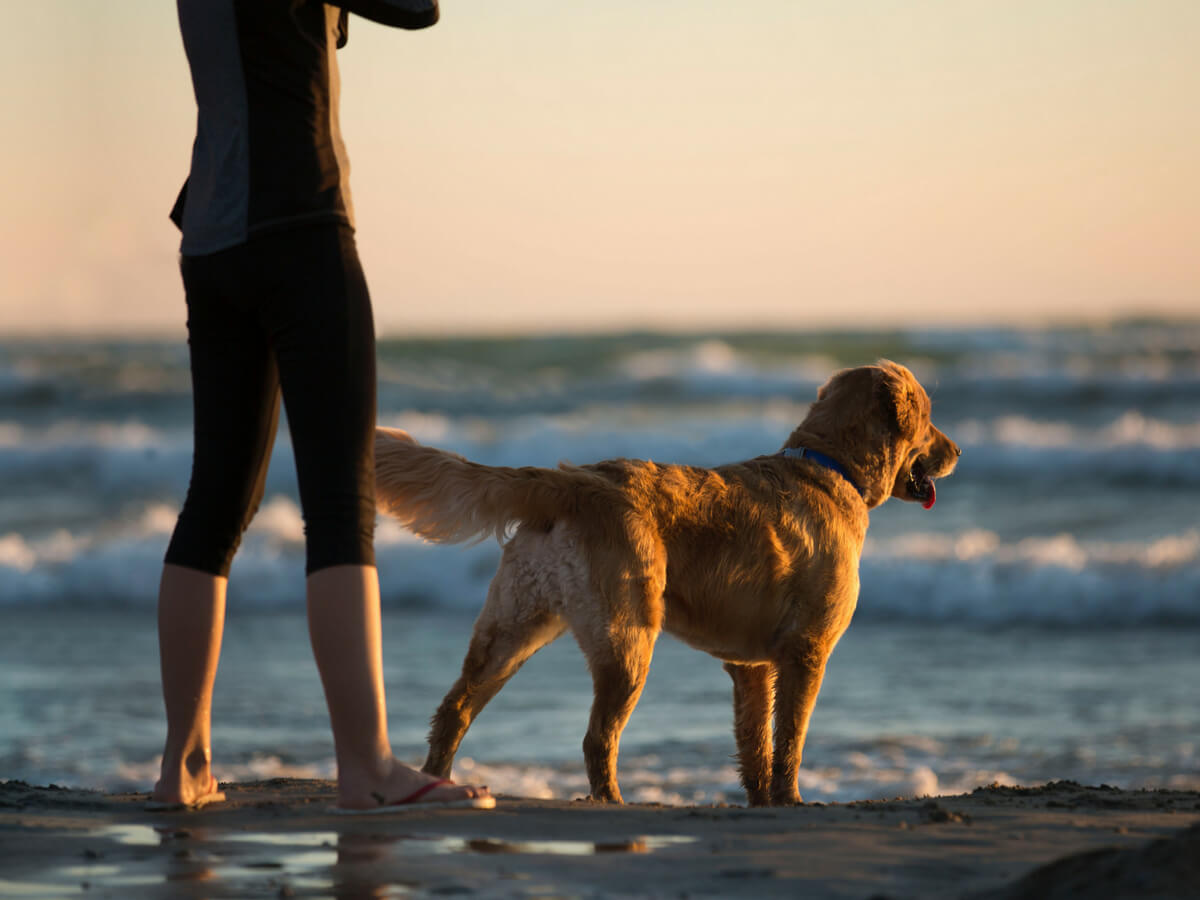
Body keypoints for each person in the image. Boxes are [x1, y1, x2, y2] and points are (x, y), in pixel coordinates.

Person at [151, 0, 493, 812]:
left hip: (211, 234)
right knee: (339, 509)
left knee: (215, 503)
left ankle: (183, 768)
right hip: (299, 222)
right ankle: (368, 768)